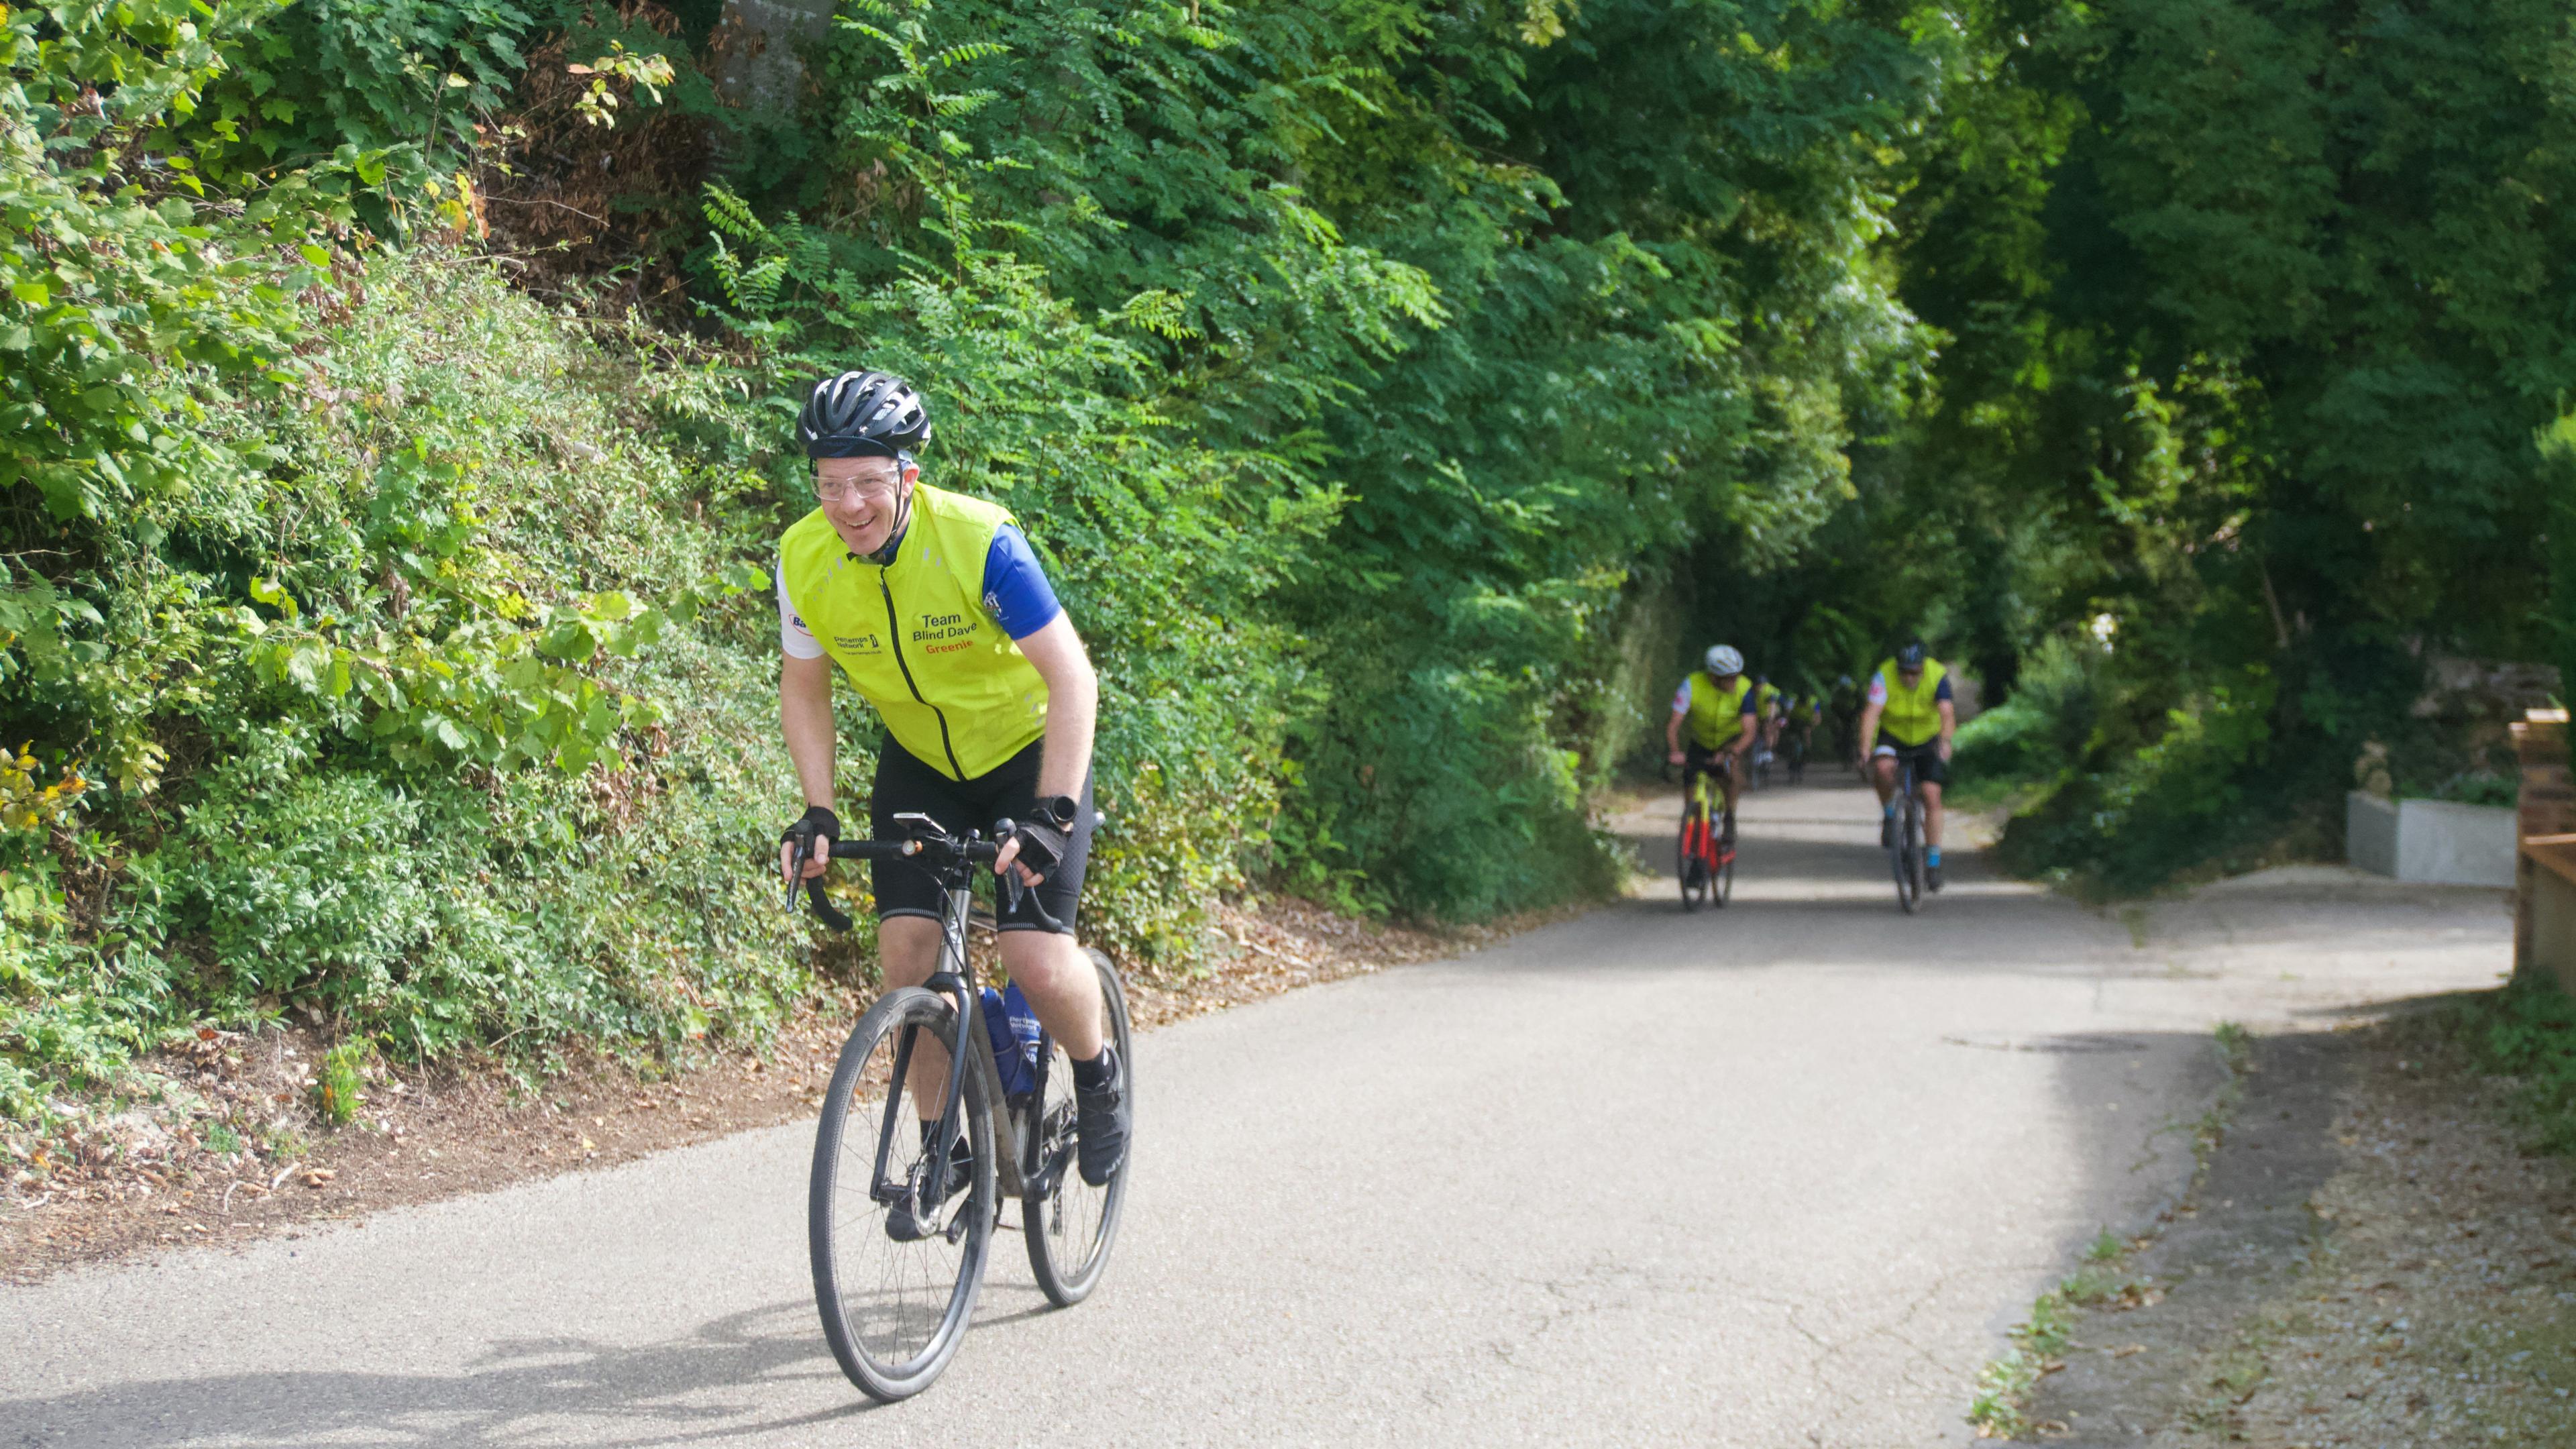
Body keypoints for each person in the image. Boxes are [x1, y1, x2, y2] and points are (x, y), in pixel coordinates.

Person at [773, 370, 1127, 1233]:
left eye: (866, 481)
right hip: (923, 762)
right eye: (829, 483)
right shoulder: (803, 558)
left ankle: (1096, 1070)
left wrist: (1053, 813)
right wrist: (818, 811)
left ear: (907, 476)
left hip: (1026, 752)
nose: (847, 503)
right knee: (908, 961)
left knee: (1034, 956)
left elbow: (1073, 678)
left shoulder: (979, 542)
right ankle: (947, 1147)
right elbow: (805, 690)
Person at [1855, 640, 1957, 890]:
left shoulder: (1937, 675)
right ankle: (1890, 813)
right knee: (1882, 769)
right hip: (1893, 734)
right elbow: (1871, 713)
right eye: (1904, 671)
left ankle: (1932, 862)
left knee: (1932, 795)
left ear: (1922, 667)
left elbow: (1946, 713)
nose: (1908, 677)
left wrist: (1944, 741)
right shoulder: (1884, 674)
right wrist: (1865, 747)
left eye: (1914, 672)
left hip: (1927, 737)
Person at [1666, 645, 1760, 843]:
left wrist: (1734, 751)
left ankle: (1730, 816)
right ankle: (1693, 839)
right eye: (1729, 678)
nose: (1735, 681)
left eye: (1737, 675)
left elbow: (1750, 730)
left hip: (1730, 740)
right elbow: (1674, 724)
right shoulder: (1691, 684)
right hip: (1700, 741)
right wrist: (1675, 751)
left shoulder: (1744, 689)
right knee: (1691, 792)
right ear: (1713, 677)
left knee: (1731, 773)